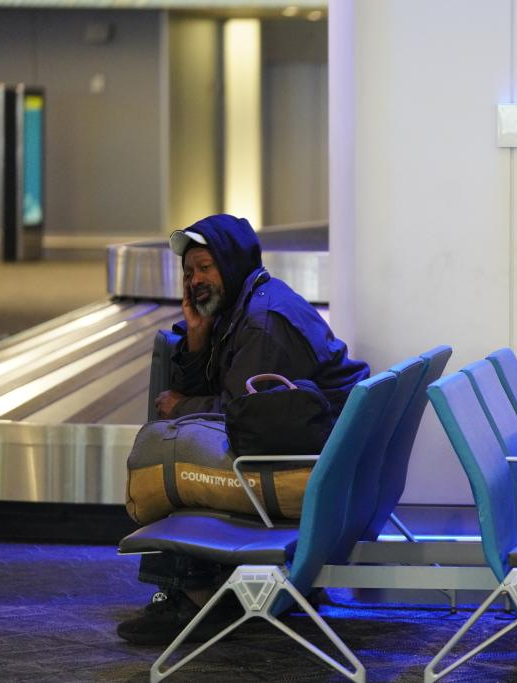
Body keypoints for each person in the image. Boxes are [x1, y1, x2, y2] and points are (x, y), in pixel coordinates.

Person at [117, 214, 370, 645]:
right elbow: (242, 405)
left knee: (166, 457)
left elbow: (242, 418)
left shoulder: (261, 322)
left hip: (310, 469)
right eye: (189, 271)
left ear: (232, 264)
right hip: (321, 456)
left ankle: (189, 597)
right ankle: (205, 588)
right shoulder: (245, 305)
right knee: (183, 438)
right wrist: (197, 337)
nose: (195, 280)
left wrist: (182, 408)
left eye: (205, 267)